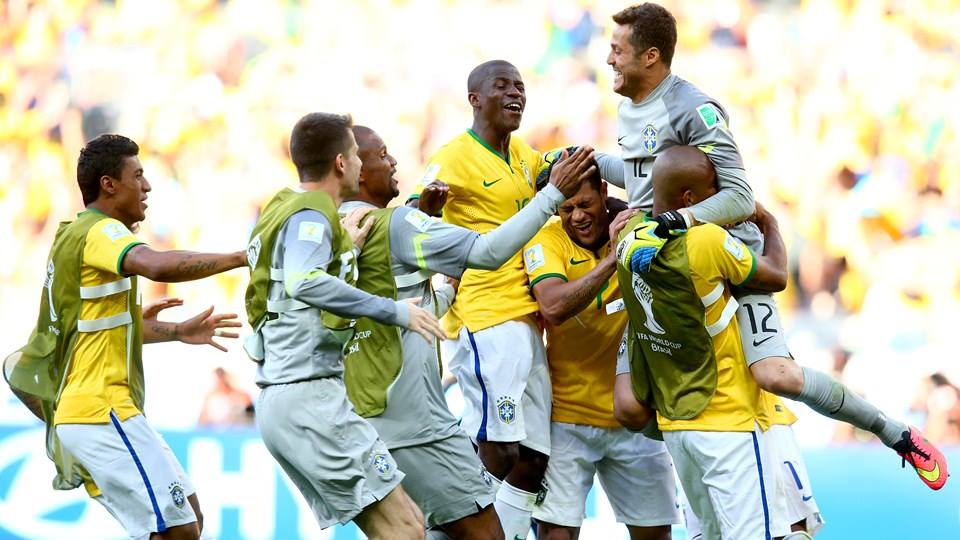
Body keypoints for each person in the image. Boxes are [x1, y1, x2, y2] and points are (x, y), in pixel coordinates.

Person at [600, 2, 947, 491]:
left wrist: (677, 221)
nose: (608, 59)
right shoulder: (627, 108)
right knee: (630, 407)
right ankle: (717, 434)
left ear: (651, 56)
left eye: (617, 50)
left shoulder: (694, 108)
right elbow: (643, 179)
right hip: (665, 264)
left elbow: (741, 197)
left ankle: (895, 434)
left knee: (775, 374)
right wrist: (588, 162)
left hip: (725, 256)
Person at [339, 126, 595, 539]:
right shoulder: (403, 216)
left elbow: (397, 304)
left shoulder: (337, 233)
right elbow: (485, 253)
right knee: (485, 486)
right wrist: (551, 196)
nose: (394, 161)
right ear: (352, 169)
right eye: (383, 154)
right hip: (446, 370)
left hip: (395, 405)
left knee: (530, 460)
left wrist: (442, 286)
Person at [4, 133, 248, 540]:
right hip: (99, 411)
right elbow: (155, 265)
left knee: (189, 516)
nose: (147, 186)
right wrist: (240, 258)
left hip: (104, 412)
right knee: (179, 530)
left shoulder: (74, 236)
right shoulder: (101, 232)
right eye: (137, 175)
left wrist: (177, 331)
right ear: (109, 184)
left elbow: (93, 329)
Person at [243, 112, 446, 539]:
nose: (358, 164)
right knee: (406, 530)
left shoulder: (279, 206)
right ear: (341, 162)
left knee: (408, 523)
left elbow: (288, 286)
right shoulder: (313, 212)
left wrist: (345, 254)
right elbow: (303, 280)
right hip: (309, 395)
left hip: (283, 396)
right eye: (355, 155)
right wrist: (395, 311)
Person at [407, 60, 563, 538]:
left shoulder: (523, 155)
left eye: (520, 86)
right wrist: (426, 210)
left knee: (533, 458)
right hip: (485, 317)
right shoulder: (453, 157)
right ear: (475, 99)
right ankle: (445, 527)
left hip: (528, 320)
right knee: (500, 449)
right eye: (502, 86)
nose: (516, 93)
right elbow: (412, 214)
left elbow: (569, 167)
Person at [615, 146, 794, 539]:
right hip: (728, 418)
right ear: (690, 199)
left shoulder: (627, 238)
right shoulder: (706, 241)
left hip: (678, 427)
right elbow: (777, 275)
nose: (722, 198)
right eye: (715, 190)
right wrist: (770, 223)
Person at [520, 166, 680, 540]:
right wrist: (613, 260)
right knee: (555, 536)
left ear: (604, 192)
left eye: (586, 204)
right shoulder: (545, 240)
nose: (577, 216)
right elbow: (553, 307)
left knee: (655, 536)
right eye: (566, 208)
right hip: (567, 418)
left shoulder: (636, 228)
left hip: (635, 417)